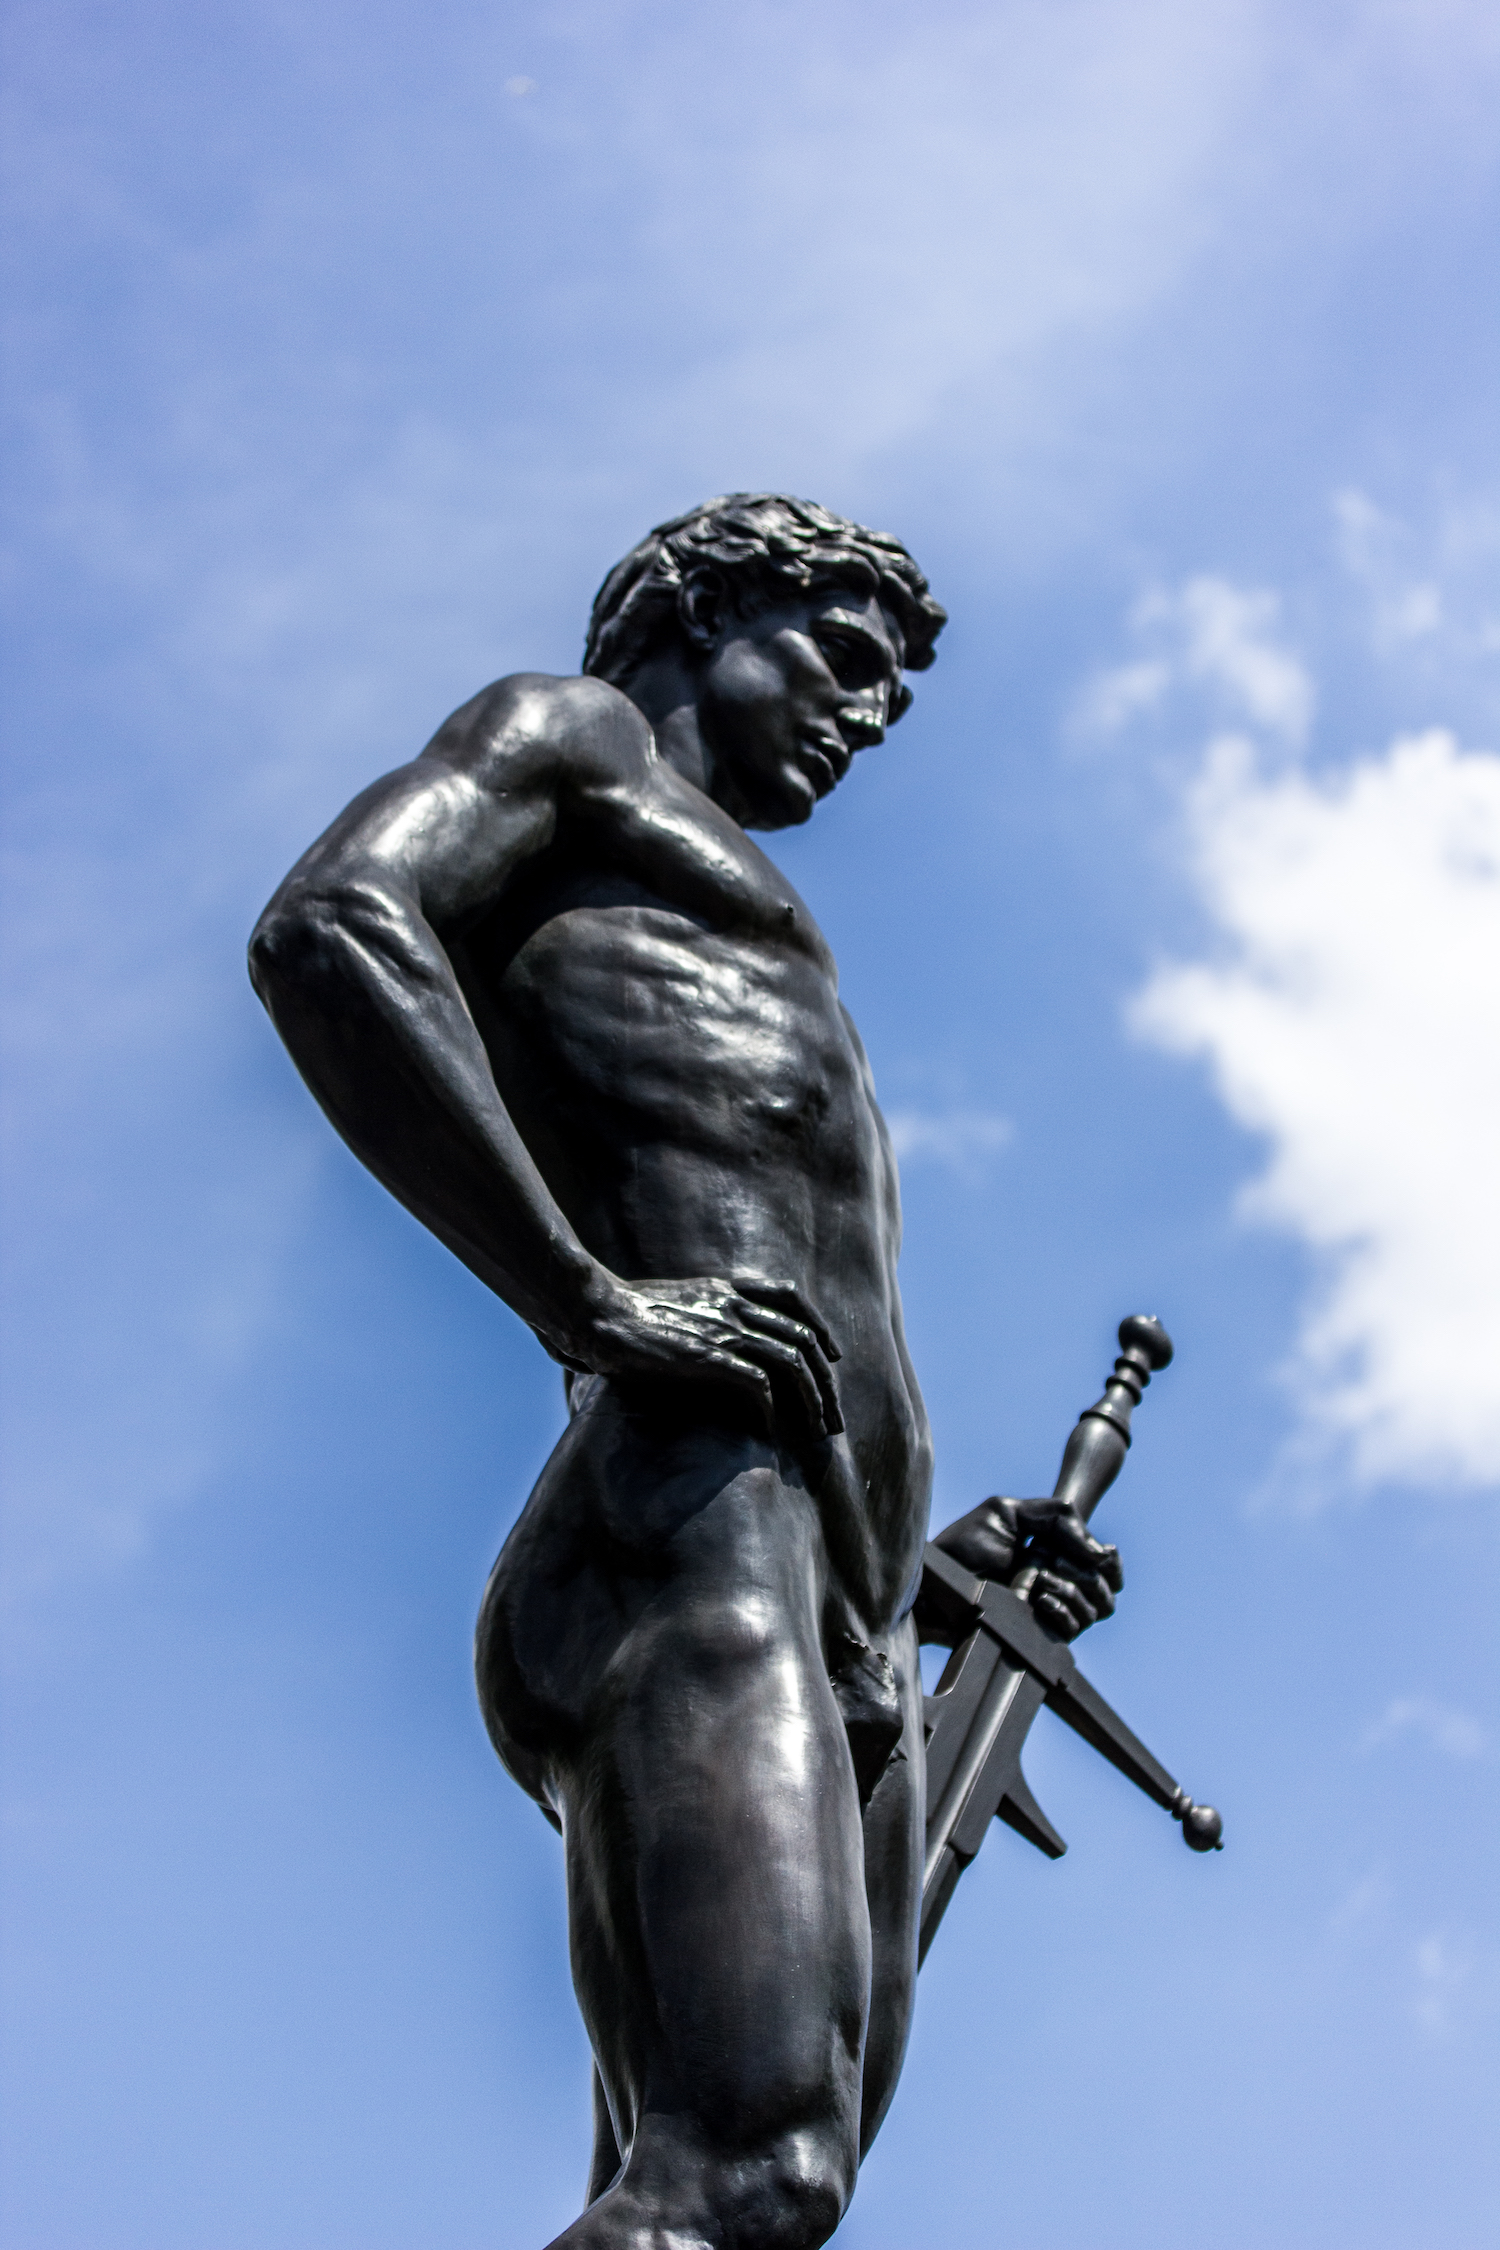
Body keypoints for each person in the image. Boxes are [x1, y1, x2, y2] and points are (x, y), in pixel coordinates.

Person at [249, 494, 1123, 2250]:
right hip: (693, 1530)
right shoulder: (570, 744)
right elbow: (333, 926)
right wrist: (583, 1298)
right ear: (702, 606)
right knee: (744, 2175)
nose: (863, 721)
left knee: (745, 2197)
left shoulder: (744, 917)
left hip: (839, 1599)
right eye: (843, 659)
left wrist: (929, 1568)